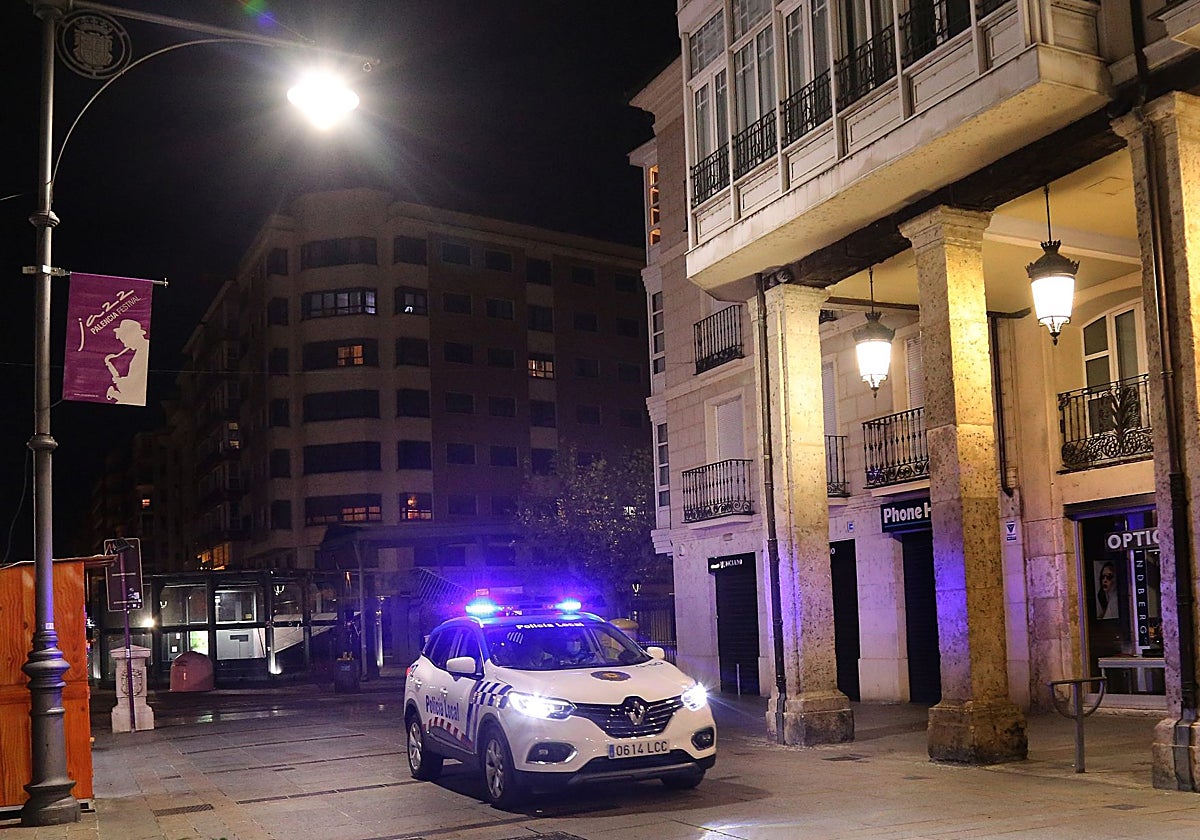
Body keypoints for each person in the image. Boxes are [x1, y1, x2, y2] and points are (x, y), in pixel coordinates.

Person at [105, 319, 150, 404]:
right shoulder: (142, 350)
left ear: (133, 336)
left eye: (125, 341)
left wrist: (119, 381)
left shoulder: (144, 352)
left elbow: (135, 386)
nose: (125, 345)